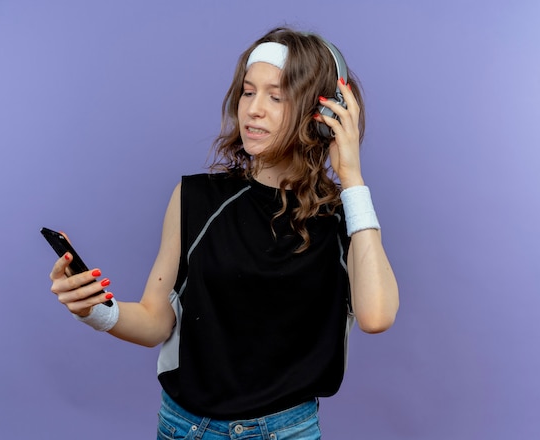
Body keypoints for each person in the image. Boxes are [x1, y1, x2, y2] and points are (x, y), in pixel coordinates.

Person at [49, 27, 399, 440]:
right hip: (185, 428)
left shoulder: (346, 219)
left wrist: (352, 178)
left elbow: (376, 316)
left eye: (277, 96)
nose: (253, 109)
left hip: (285, 432)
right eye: (249, 92)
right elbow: (156, 322)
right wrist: (97, 311)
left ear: (322, 115)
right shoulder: (195, 198)